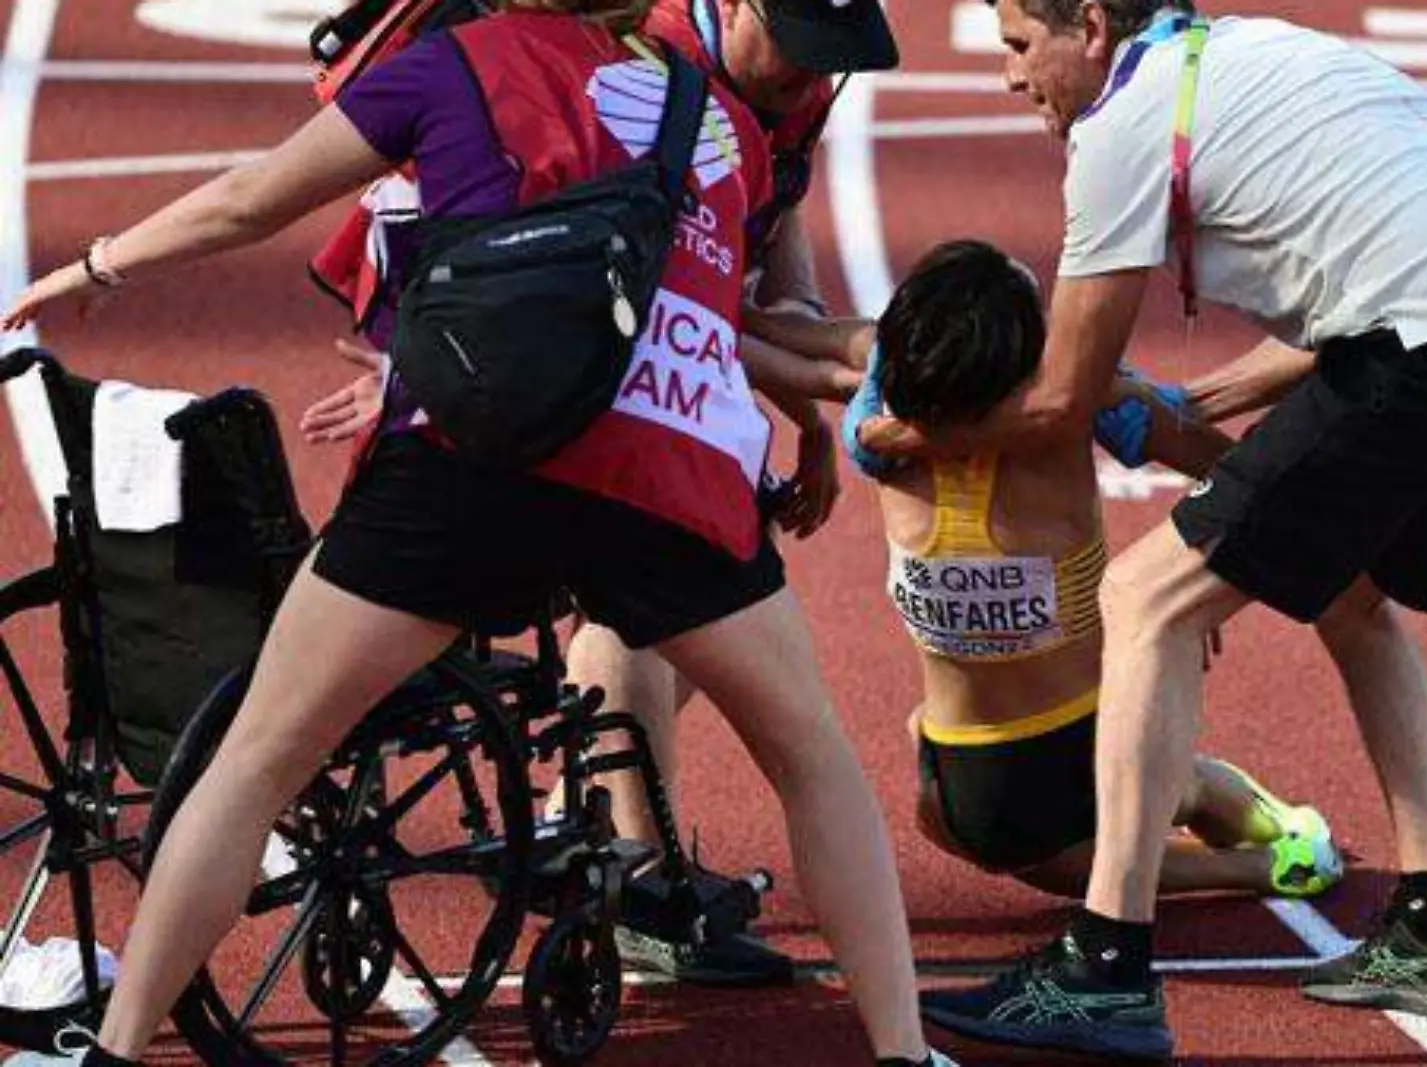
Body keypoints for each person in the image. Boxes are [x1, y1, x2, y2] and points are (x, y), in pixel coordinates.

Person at [0, 2, 949, 1064]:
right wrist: (825, 411)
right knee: (814, 756)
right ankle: (906, 1050)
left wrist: (91, 267)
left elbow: (249, 200)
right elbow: (704, 309)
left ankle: (116, 1053)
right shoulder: (716, 118)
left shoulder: (452, 62)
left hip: (471, 464)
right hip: (665, 474)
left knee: (257, 757)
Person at [869, 0, 1427, 1059]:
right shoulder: (1252, 51)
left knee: (1143, 597)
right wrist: (1199, 408)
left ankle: (1106, 964)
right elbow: (1348, 305)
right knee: (1352, 600)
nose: (1008, 78)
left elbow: (1060, 400)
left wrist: (897, 423)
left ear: (1087, 25)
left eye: (1020, 47)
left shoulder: (1120, 132)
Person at [300, 0, 891, 988]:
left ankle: (608, 823)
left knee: (688, 606)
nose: (811, 79)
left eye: (831, 63)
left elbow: (768, 272)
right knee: (638, 577)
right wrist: (419, 368)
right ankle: (635, 882)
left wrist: (817, 405)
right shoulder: (646, 60)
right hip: (490, 286)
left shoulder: (795, 83)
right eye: (798, 51)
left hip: (617, 307)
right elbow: (647, 294)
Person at [746, 238, 1345, 900]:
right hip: (1089, 735)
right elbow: (1231, 474)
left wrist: (741, 317)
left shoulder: (886, 418)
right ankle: (1240, 834)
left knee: (998, 829)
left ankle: (1246, 849)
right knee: (1139, 800)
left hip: (978, 773)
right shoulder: (1080, 409)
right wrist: (1194, 573)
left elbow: (831, 344)